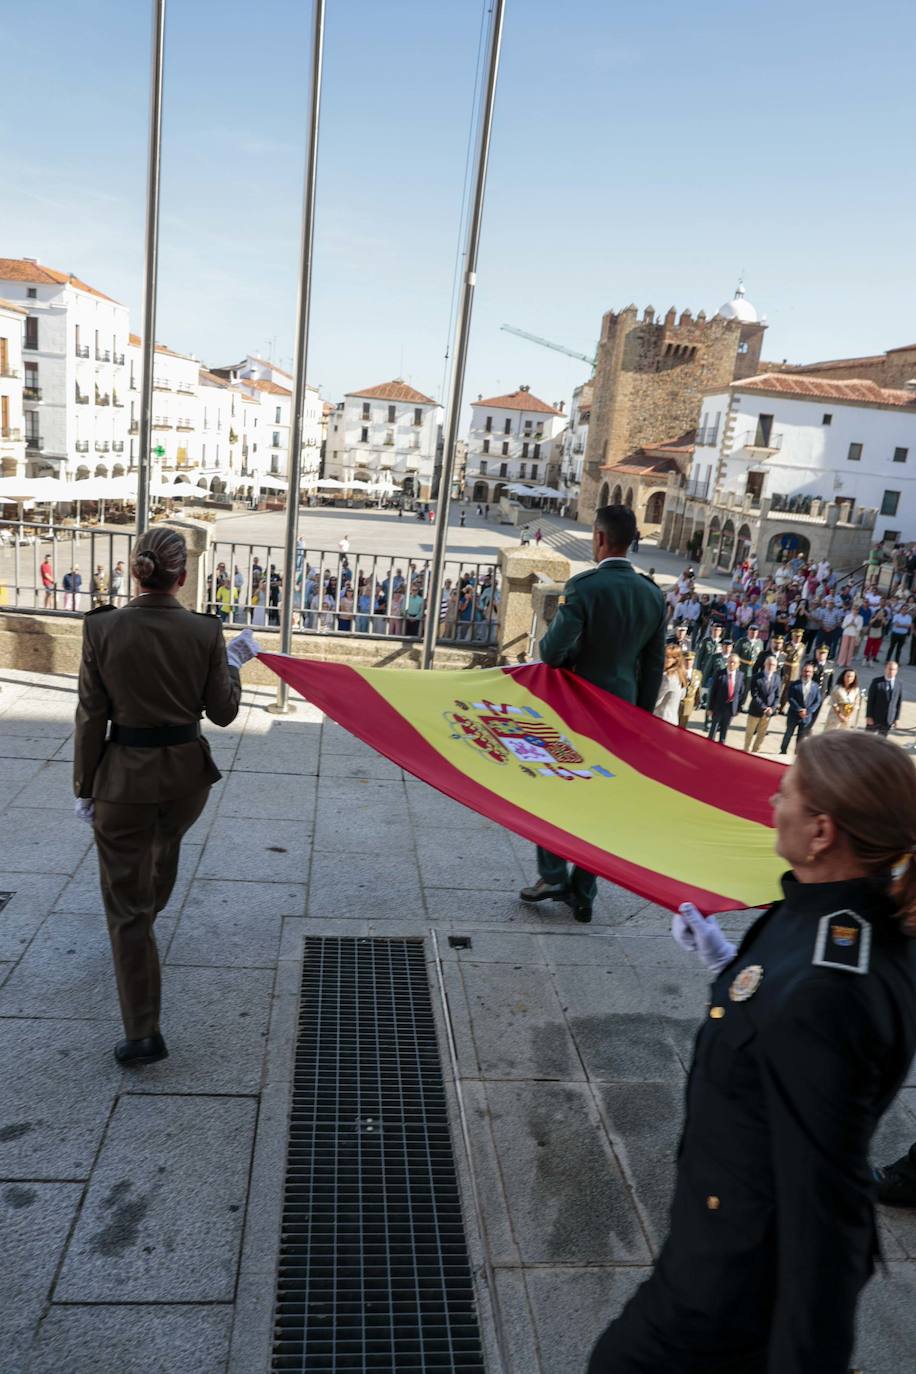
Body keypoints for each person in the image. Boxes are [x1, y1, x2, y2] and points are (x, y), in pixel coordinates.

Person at [588, 730, 916, 1374]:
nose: (773, 799)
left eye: (787, 791)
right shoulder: (841, 918)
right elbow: (778, 1023)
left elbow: (827, 1214)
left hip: (730, 1280)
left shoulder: (830, 985)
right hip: (715, 1245)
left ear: (822, 831)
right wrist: (725, 963)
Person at [72, 527, 259, 1067]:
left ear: (138, 570)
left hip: (123, 782)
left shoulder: (103, 627)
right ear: (184, 576)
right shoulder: (204, 632)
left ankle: (143, 1034)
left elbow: (91, 715)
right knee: (162, 853)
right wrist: (232, 663)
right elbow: (222, 713)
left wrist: (85, 785)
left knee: (128, 907)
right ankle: (143, 935)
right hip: (184, 781)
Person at [520, 504, 665, 923]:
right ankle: (584, 894)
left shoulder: (585, 586)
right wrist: (640, 720)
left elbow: (550, 653)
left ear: (600, 538)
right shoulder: (653, 594)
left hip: (575, 711)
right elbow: (653, 667)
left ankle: (552, 875)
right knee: (601, 804)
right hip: (623, 713)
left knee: (551, 788)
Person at [780, 661, 822, 754]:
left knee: (801, 736)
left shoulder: (815, 686)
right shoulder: (794, 684)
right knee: (788, 734)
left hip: (806, 717)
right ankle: (783, 750)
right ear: (802, 672)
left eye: (809, 672)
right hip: (794, 715)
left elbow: (817, 701)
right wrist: (799, 709)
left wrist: (808, 711)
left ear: (812, 673)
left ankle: (797, 753)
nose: (807, 674)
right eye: (805, 671)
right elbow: (790, 698)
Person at [744, 654, 780, 752]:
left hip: (768, 713)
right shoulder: (756, 677)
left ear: (775, 667)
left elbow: (777, 696)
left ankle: (755, 752)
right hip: (756, 710)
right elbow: (754, 695)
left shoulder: (777, 678)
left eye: (773, 665)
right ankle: (746, 751)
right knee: (749, 733)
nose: (770, 666)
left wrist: (772, 708)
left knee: (761, 735)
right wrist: (764, 707)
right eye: (769, 664)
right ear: (764, 664)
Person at [706, 652, 744, 744]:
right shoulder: (720, 674)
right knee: (714, 728)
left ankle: (721, 743)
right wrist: (710, 708)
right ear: (727, 662)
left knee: (724, 728)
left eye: (734, 662)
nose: (731, 664)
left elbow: (740, 693)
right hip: (718, 706)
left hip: (731, 707)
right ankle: (709, 744)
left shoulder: (740, 675)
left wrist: (738, 708)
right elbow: (713, 692)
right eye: (730, 662)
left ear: (738, 664)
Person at [866, 659, 902, 737]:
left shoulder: (898, 684)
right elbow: (870, 700)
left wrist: (896, 718)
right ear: (885, 669)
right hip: (875, 717)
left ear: (897, 671)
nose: (891, 671)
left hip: (888, 719)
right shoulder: (877, 682)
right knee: (868, 739)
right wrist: (869, 716)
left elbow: (898, 703)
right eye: (889, 669)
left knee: (882, 741)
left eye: (894, 669)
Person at [653, 645, 686, 725]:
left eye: (668, 657)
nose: (664, 659)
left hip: (661, 720)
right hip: (672, 720)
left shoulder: (667, 677)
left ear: (676, 660)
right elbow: (682, 695)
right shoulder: (680, 674)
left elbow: (655, 701)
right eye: (663, 656)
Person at [823, 667, 861, 731]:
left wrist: (848, 716)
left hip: (848, 716)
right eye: (847, 676)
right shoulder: (837, 688)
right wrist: (840, 716)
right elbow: (833, 703)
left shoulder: (856, 690)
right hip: (836, 715)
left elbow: (856, 704)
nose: (849, 678)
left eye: (851, 677)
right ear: (843, 676)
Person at [678, 652, 703, 729]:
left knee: (683, 726)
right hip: (677, 702)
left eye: (690, 660)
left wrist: (697, 701)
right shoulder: (678, 672)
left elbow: (698, 689)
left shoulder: (698, 673)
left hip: (689, 704)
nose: (688, 662)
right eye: (686, 660)